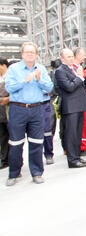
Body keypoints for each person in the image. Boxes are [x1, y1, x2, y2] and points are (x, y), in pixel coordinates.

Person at [4, 42, 54, 185]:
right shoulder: (14, 69)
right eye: (27, 52)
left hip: (37, 109)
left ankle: (37, 173)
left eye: (32, 52)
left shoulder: (41, 69)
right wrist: (25, 80)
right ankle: (14, 173)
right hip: (18, 109)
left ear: (36, 54)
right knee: (15, 142)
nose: (30, 54)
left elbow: (49, 87)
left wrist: (38, 80)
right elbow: (10, 87)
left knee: (37, 142)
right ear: (22, 54)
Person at [55, 48, 86, 169]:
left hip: (79, 105)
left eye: (71, 56)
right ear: (62, 58)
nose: (71, 58)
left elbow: (81, 85)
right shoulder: (60, 71)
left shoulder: (74, 69)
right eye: (68, 57)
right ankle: (72, 160)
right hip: (71, 107)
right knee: (71, 134)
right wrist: (80, 77)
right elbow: (69, 87)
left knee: (77, 133)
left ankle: (77, 156)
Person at [0, 57, 10, 170]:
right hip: (1, 112)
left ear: (3, 65)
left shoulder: (10, 77)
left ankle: (13, 159)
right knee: (2, 137)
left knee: (13, 137)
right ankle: (4, 160)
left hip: (9, 111)